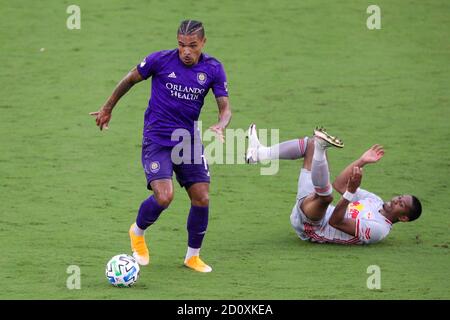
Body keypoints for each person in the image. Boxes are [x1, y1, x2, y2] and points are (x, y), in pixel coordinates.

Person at [90, 20, 232, 272]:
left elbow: (225, 107)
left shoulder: (213, 68)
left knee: (202, 197)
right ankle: (137, 231)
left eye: (192, 46)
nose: (186, 51)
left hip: (187, 139)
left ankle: (192, 257)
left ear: (203, 43)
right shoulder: (161, 60)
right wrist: (107, 107)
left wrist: (221, 124)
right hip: (157, 139)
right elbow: (129, 79)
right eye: (181, 45)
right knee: (164, 196)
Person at [246, 124, 422, 244]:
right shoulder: (375, 201)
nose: (396, 200)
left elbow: (336, 221)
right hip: (310, 208)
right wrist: (362, 161)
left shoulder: (379, 230)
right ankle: (259, 154)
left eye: (401, 204)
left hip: (313, 227)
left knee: (326, 197)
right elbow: (339, 184)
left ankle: (323, 149)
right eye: (399, 197)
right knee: (312, 145)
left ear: (404, 218)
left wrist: (350, 193)